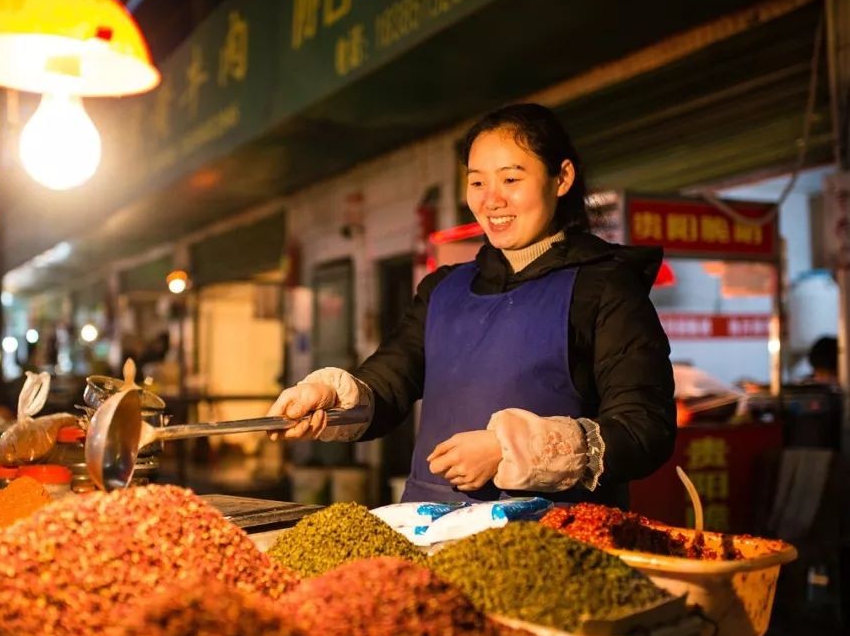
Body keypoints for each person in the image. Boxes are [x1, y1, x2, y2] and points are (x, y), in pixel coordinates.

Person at [269, 103, 676, 508]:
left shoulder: (605, 288)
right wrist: (329, 398)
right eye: (477, 182)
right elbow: (388, 384)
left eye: (511, 179)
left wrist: (510, 451)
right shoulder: (444, 289)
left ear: (562, 178)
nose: (491, 200)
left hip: (552, 542)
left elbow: (643, 429)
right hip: (432, 532)